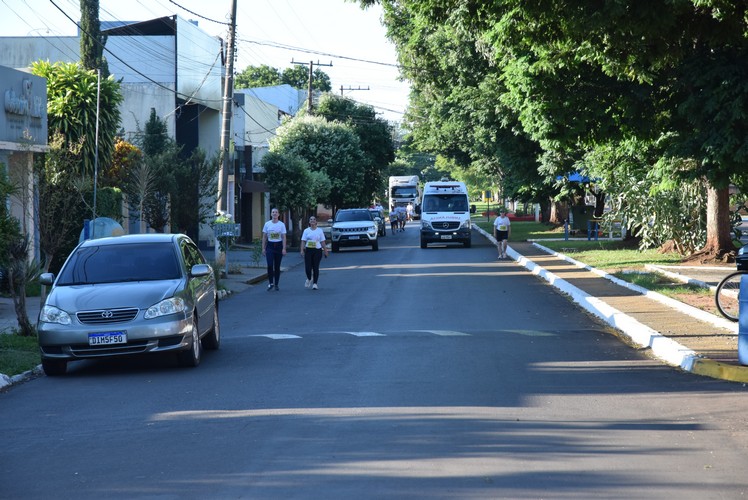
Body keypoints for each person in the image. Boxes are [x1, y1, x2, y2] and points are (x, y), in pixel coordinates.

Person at [300, 216, 329, 290]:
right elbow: (303, 241)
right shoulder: (306, 231)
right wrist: (302, 250)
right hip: (309, 250)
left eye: (314, 219)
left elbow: (322, 241)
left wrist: (325, 250)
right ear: (309, 222)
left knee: (315, 267)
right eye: (311, 219)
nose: (312, 221)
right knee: (308, 268)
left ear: (316, 222)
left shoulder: (319, 231)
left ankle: (315, 283)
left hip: (317, 250)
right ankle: (309, 278)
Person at [262, 208, 287, 290]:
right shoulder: (267, 224)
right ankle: (270, 283)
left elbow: (283, 237)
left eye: (276, 212)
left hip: (278, 246)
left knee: (277, 266)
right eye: (273, 212)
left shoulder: (281, 224)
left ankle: (276, 283)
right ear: (271, 214)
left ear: (278, 214)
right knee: (269, 265)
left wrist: (284, 248)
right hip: (270, 246)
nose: (274, 214)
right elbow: (264, 237)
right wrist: (263, 248)